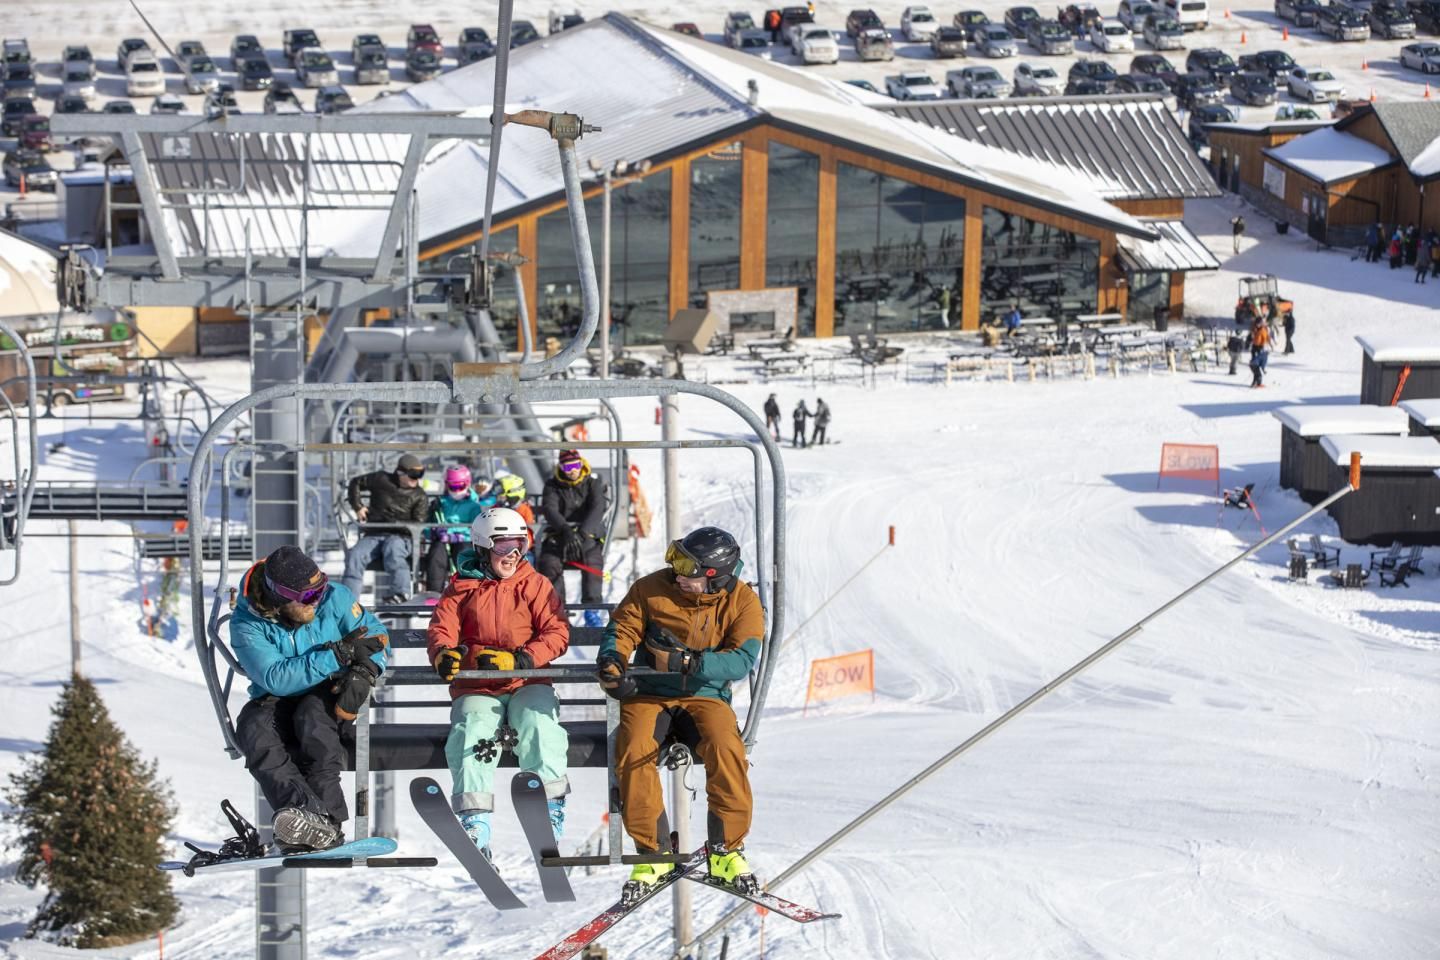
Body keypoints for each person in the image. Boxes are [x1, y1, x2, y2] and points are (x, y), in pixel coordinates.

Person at [596, 526, 764, 902]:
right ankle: (653, 851)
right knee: (634, 747)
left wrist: (688, 663)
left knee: (726, 748)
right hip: (650, 693)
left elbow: (741, 660)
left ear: (713, 575)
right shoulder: (651, 588)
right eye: (676, 559)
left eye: (687, 566)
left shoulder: (741, 602)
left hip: (704, 696)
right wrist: (613, 661)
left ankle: (726, 850)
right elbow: (623, 626)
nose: (677, 572)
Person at [427, 508, 570, 857]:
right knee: (472, 730)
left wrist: (523, 658)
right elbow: (442, 628)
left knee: (539, 723)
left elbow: (558, 631)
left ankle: (549, 809)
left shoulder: (534, 584)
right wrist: (443, 653)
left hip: (526, 680)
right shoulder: (462, 587)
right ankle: (475, 820)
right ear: (482, 546)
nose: (512, 555)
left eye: (519, 544)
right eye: (504, 545)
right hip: (479, 686)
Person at [231, 545, 390, 850]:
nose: (317, 599)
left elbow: (378, 637)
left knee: (312, 719)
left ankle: (328, 820)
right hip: (275, 699)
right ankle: (307, 817)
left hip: (326, 693)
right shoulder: (248, 623)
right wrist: (336, 654)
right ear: (280, 596)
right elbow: (275, 678)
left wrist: (366, 670)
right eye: (306, 596)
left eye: (320, 588)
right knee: (253, 729)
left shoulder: (336, 598)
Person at [342, 454, 429, 604]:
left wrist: (394, 522)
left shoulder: (419, 495)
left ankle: (401, 593)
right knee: (355, 555)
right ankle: (347, 601)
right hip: (375, 533)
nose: (417, 479)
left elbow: (418, 523)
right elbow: (356, 482)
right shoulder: (381, 479)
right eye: (414, 475)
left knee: (393, 549)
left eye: (420, 475)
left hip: (401, 537)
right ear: (401, 472)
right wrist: (358, 507)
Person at [537, 449, 609, 624]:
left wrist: (583, 533)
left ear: (581, 464)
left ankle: (592, 610)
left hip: (587, 536)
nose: (572, 471)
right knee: (549, 563)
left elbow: (597, 508)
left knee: (592, 561)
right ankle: (557, 610)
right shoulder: (553, 486)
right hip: (559, 535)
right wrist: (565, 530)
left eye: (576, 465)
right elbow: (550, 509)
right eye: (567, 467)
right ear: (561, 468)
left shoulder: (592, 483)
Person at [424, 465, 486, 593]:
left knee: (463, 553)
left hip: (464, 539)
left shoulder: (473, 505)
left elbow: (476, 527)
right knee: (436, 554)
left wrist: (453, 533)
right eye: (453, 487)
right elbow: (428, 526)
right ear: (447, 485)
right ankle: (433, 592)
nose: (457, 491)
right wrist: (434, 531)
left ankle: (465, 589)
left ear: (467, 484)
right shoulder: (441, 503)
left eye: (460, 486)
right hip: (443, 540)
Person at [1248, 317, 1270, 389]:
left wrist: (1263, 347)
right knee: (1254, 364)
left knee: (1256, 365)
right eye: (1257, 324)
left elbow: (1266, 339)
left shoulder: (1263, 330)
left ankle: (1257, 381)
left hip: (1260, 347)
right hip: (1254, 347)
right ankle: (1255, 381)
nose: (1257, 325)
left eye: (1259, 324)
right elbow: (1252, 335)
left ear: (1261, 323)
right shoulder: (1255, 329)